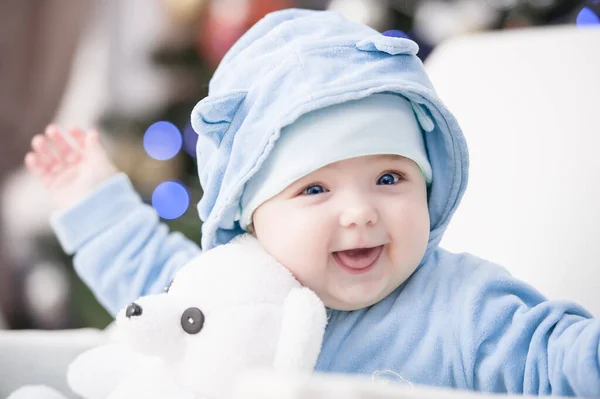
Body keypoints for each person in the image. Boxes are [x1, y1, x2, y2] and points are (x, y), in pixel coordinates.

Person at [24, 9, 600, 397]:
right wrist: (93, 199)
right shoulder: (235, 289)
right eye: (315, 189)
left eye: (391, 178)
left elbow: (557, 357)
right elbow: (145, 273)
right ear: (250, 217)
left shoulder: (465, 307)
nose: (360, 212)